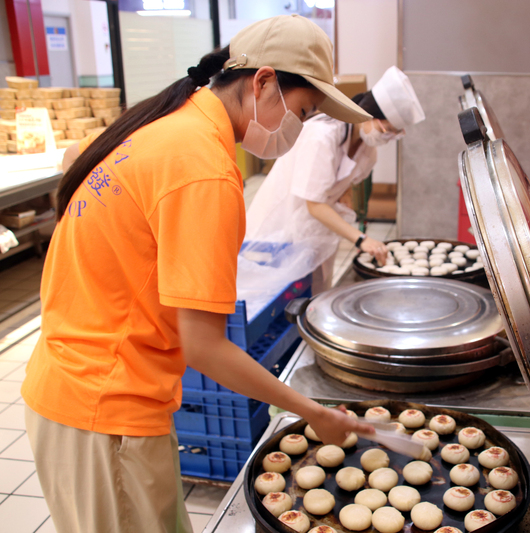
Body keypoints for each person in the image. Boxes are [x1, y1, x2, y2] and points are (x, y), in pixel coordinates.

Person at [21, 15, 374, 533]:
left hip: (73, 386)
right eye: (303, 111)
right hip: (106, 410)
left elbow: (81, 163)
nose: (297, 131)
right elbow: (205, 347)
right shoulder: (202, 166)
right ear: (262, 82)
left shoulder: (167, 125)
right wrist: (313, 412)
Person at [244, 66, 425, 293]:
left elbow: (346, 182)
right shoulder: (322, 136)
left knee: (315, 294)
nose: (387, 137)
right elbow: (315, 205)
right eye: (386, 129)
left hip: (316, 230)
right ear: (368, 113)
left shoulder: (368, 151)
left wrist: (344, 198)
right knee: (281, 297)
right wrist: (361, 240)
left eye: (393, 134)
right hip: (281, 226)